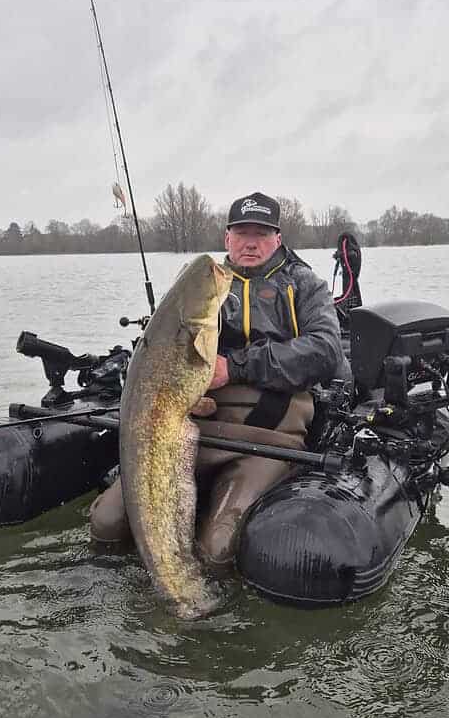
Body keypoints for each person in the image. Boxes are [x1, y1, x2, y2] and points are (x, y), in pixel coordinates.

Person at [90, 191, 344, 571]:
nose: (251, 242)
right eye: (242, 233)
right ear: (227, 238)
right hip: (197, 425)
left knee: (217, 546)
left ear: (277, 238)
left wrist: (235, 367)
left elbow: (325, 351)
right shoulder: (199, 283)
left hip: (269, 435)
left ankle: (209, 612)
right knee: (107, 521)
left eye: (261, 233)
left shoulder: (305, 284)